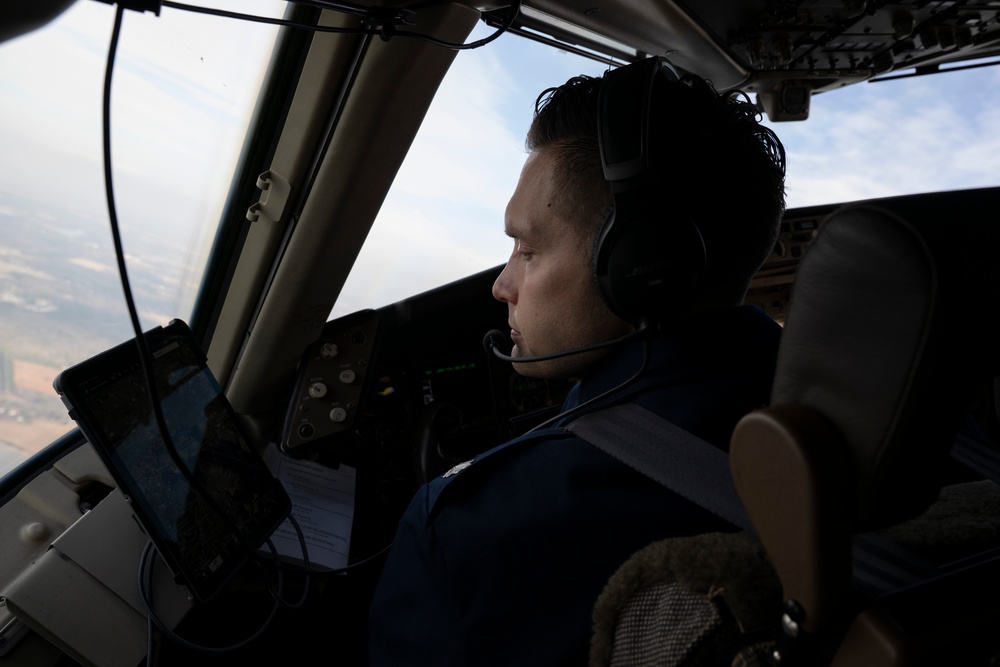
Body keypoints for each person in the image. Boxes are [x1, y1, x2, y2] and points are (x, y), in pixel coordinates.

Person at [368, 57, 786, 665]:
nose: (501, 285)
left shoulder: (467, 535)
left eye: (525, 248)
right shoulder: (917, 434)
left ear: (642, 268)